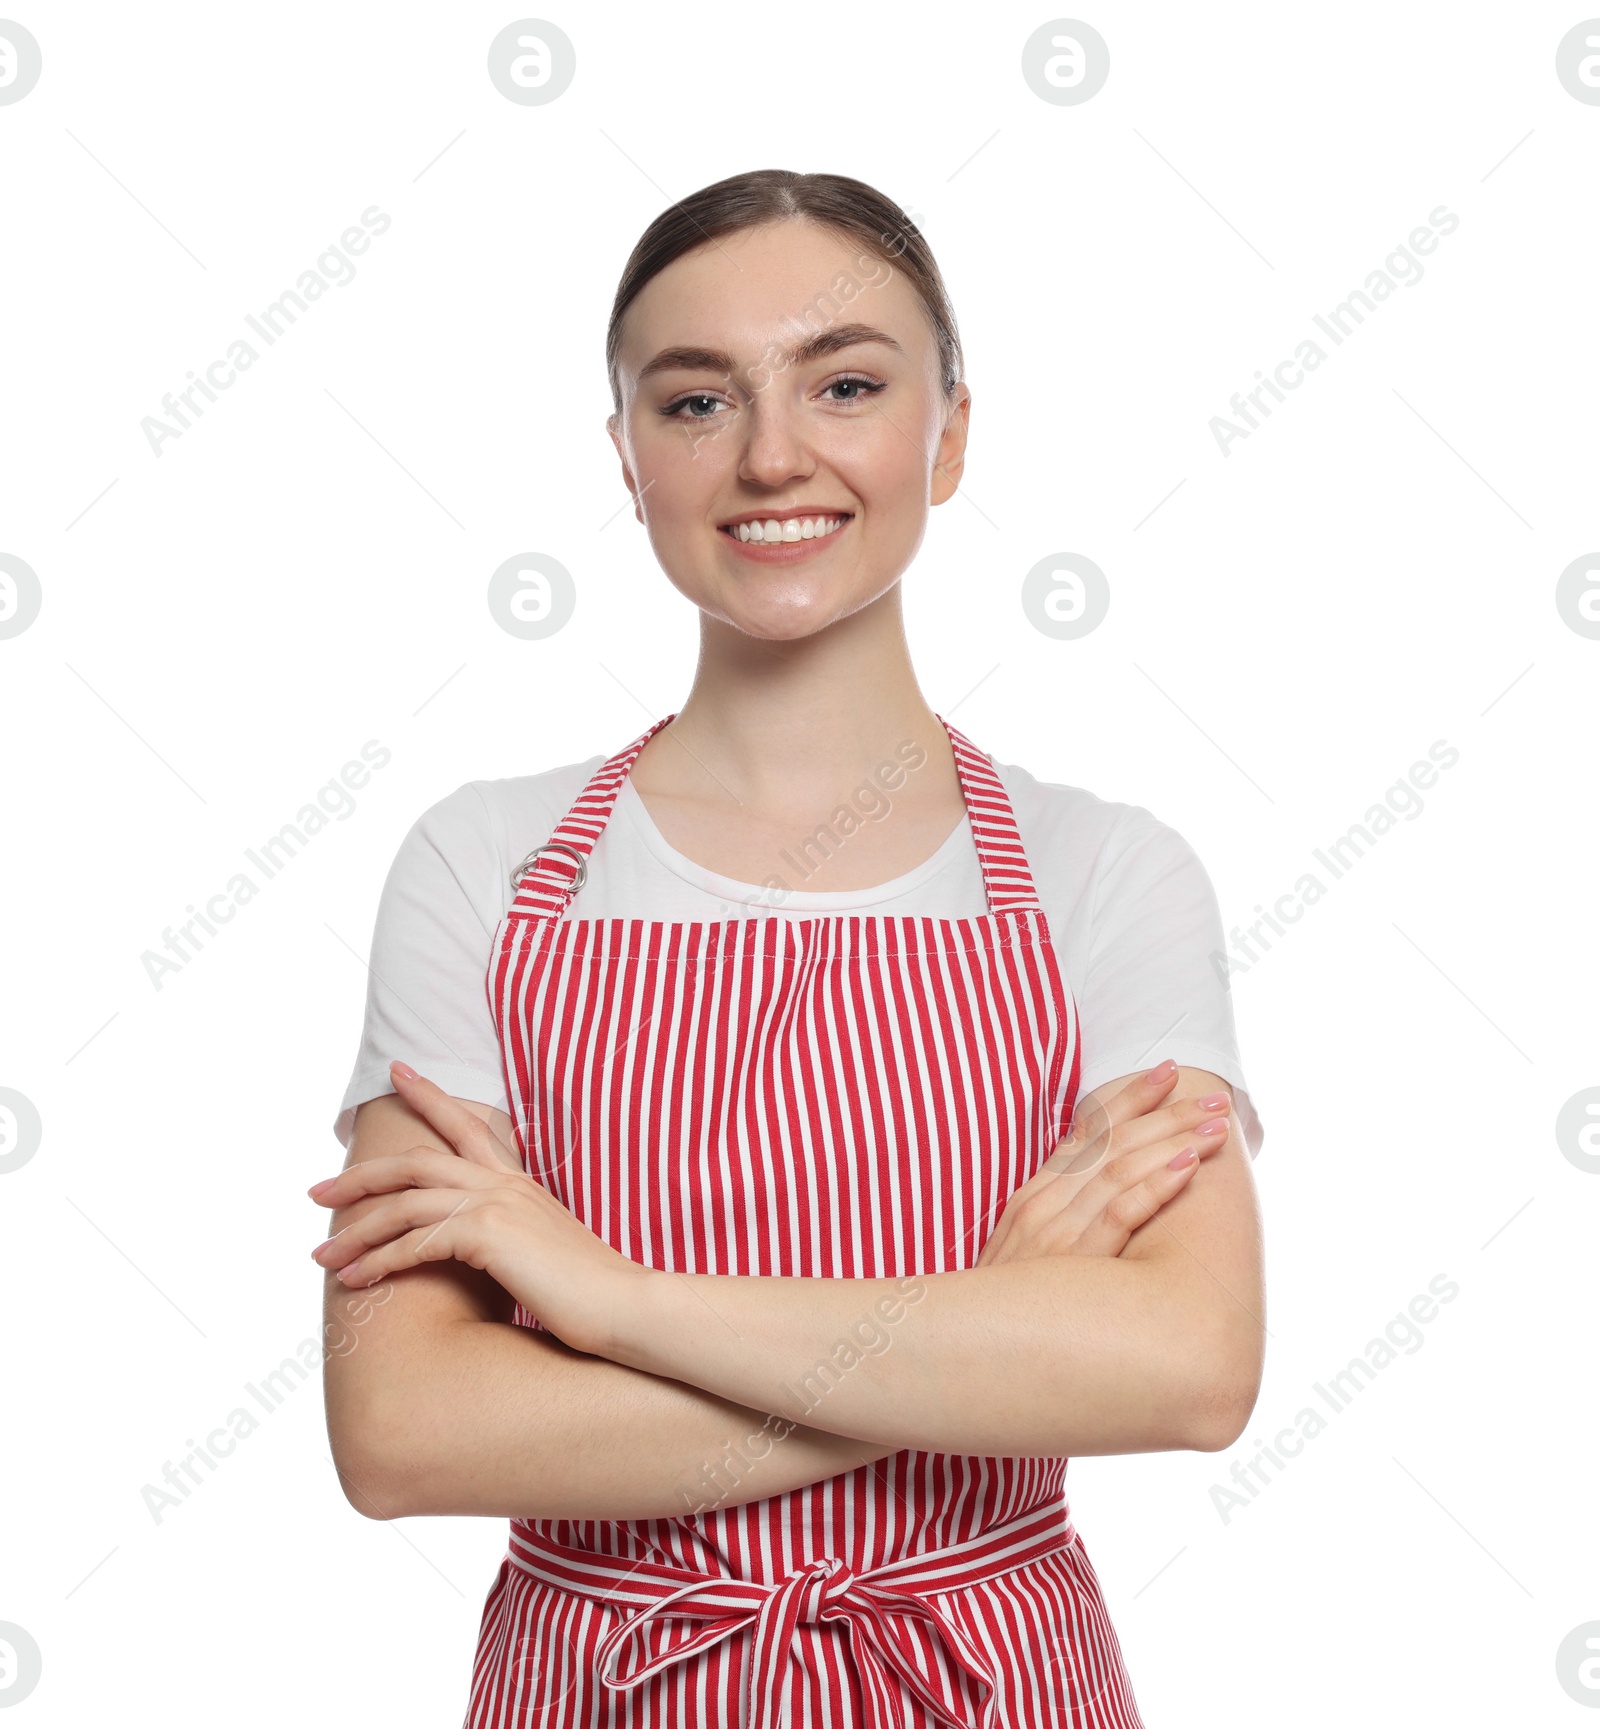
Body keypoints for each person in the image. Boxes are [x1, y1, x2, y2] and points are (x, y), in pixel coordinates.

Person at [310, 169, 1266, 1728]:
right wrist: (976, 1325)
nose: (771, 454)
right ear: (624, 458)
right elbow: (406, 1427)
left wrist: (610, 1301)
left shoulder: (1110, 873)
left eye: (847, 383)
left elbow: (1187, 1364)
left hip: (989, 1688)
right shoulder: (476, 866)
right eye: (694, 402)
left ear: (950, 433)